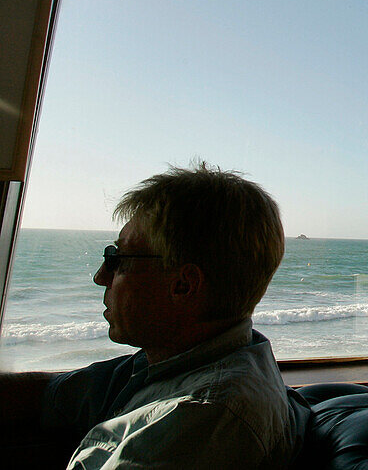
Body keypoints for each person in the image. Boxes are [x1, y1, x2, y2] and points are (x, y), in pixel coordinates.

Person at [0, 164, 309, 468]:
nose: (101, 276)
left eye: (118, 259)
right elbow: (56, 395)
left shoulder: (202, 419)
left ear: (183, 285)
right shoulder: (176, 356)